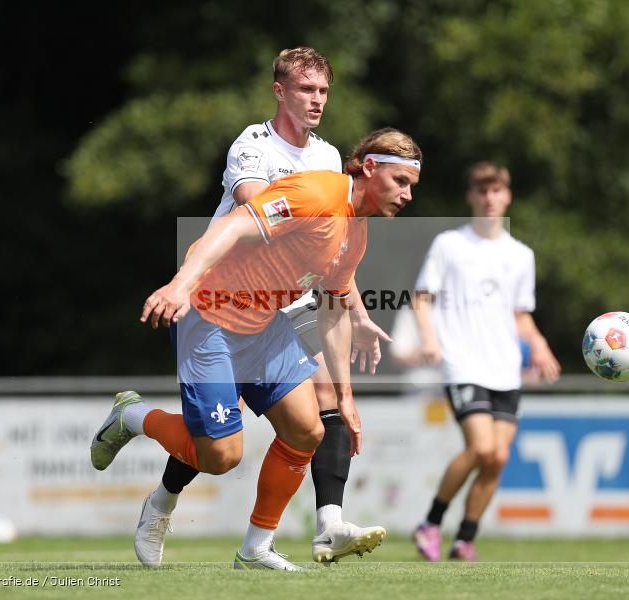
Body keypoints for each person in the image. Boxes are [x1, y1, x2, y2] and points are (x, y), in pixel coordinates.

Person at [91, 128, 422, 571]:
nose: (407, 195)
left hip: (264, 326)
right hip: (209, 317)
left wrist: (344, 396)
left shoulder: (355, 234)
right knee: (221, 458)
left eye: (411, 186)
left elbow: (333, 309)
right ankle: (132, 416)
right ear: (368, 168)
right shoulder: (318, 192)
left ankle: (255, 550)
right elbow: (233, 224)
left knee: (308, 430)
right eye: (400, 181)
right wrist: (179, 285)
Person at [410, 162, 560, 561]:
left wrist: (540, 344)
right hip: (462, 363)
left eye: (497, 191)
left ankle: (465, 539)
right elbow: (421, 296)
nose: (490, 198)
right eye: (482, 191)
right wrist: (428, 337)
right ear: (471, 197)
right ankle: (430, 523)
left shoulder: (521, 255)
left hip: (504, 368)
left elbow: (521, 314)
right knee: (480, 447)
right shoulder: (449, 245)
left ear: (507, 195)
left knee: (498, 455)